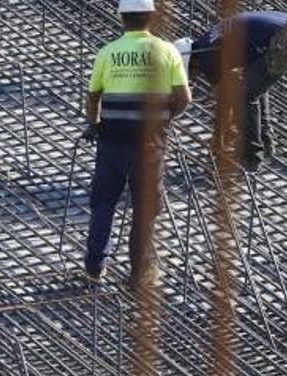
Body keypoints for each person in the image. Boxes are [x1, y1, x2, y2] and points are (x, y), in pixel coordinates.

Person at [81, 0, 191, 286]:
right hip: (149, 143)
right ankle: (141, 273)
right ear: (152, 16)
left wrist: (93, 125)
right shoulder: (167, 51)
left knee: (103, 204)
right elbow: (184, 98)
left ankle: (94, 268)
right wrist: (163, 118)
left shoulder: (107, 52)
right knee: (145, 208)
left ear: (121, 19)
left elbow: (93, 96)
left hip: (112, 141)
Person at [174, 11, 287, 172]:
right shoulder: (208, 41)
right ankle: (266, 145)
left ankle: (251, 157)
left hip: (286, 40)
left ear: (190, 64)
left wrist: (218, 142)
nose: (191, 79)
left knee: (244, 96)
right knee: (254, 84)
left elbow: (224, 104)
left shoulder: (208, 58)